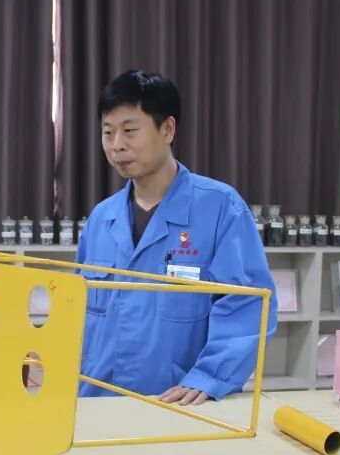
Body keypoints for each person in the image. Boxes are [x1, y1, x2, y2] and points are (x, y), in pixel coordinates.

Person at [75, 70, 278, 405]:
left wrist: (210, 376)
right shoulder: (101, 218)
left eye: (129, 130)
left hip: (179, 405)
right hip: (96, 402)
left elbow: (249, 303)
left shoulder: (220, 208)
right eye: (107, 132)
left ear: (167, 129)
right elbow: (78, 312)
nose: (116, 145)